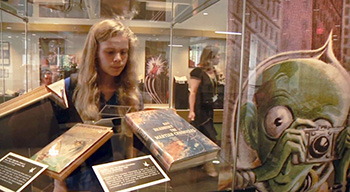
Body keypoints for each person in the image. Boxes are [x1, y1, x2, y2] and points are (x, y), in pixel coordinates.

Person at [54, 18, 142, 192]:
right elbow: (56, 141)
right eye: (110, 52)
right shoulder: (68, 88)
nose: (118, 59)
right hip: (78, 181)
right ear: (95, 53)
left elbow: (133, 144)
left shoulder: (132, 93)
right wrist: (59, 183)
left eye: (123, 52)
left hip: (119, 180)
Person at [188, 45, 220, 177]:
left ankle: (201, 162)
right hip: (200, 109)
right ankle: (208, 164)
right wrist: (191, 110)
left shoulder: (213, 71)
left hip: (209, 109)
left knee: (202, 136)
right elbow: (193, 92)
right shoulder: (198, 72)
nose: (219, 58)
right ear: (210, 56)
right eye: (217, 55)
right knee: (210, 137)